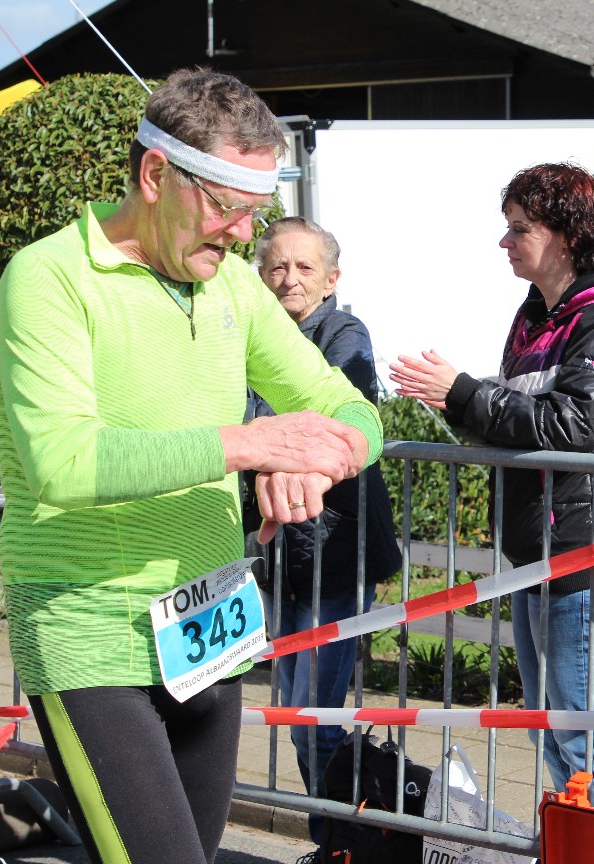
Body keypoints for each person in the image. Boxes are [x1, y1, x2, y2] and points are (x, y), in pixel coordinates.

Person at [0, 69, 383, 864]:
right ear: (155, 174)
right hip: (90, 630)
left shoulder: (232, 284)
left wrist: (315, 465)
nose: (243, 232)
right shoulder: (48, 277)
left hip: (208, 629)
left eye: (256, 209)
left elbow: (353, 410)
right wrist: (251, 445)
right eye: (227, 206)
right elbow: (65, 461)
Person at [389, 163, 594, 814]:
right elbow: (520, 418)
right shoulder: (539, 312)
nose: (504, 242)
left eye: (520, 229)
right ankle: (578, 847)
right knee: (553, 734)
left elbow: (572, 426)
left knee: (583, 744)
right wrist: (457, 405)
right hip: (538, 549)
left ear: (568, 235)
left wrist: (465, 392)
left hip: (585, 553)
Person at [244, 217, 402, 847]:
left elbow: (325, 419)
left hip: (336, 554)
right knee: (298, 716)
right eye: (277, 267)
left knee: (316, 720)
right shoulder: (251, 337)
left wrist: (256, 434)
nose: (290, 279)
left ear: (332, 279)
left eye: (304, 267)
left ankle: (342, 843)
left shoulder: (343, 335)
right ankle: (333, 842)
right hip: (280, 559)